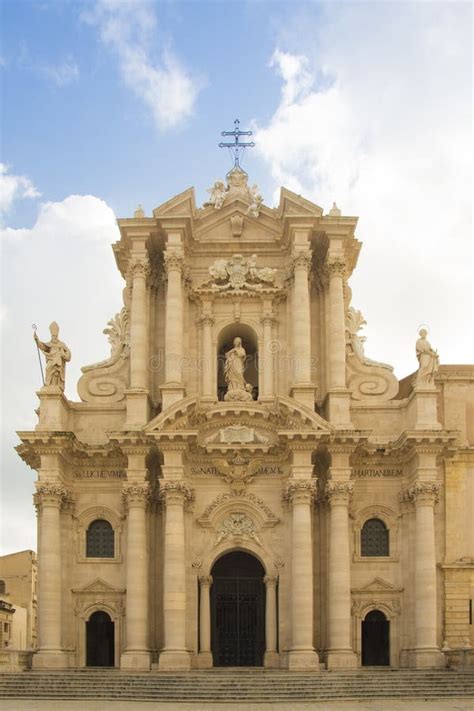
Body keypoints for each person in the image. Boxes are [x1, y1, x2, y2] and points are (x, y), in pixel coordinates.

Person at [34, 322, 71, 391]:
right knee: (48, 369)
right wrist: (37, 340)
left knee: (56, 372)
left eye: (55, 335)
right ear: (51, 336)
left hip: (58, 361)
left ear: (57, 335)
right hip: (51, 360)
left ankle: (56, 385)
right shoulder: (50, 344)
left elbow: (68, 353)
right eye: (53, 336)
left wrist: (64, 355)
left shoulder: (61, 344)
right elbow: (43, 346)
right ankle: (49, 384)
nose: (54, 337)